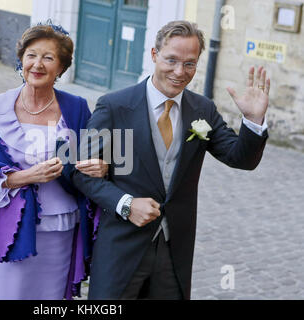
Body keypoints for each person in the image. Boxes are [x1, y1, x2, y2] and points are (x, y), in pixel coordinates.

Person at [72, 20, 270, 300]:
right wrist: (126, 204)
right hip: (122, 248)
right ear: (154, 55)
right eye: (171, 60)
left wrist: (252, 121)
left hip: (174, 249)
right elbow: (80, 172)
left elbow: (241, 159)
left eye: (189, 64)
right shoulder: (114, 106)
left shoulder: (203, 109)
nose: (180, 72)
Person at [0, 23, 106, 300]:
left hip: (60, 230)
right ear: (21, 59)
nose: (37, 64)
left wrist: (102, 166)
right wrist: (29, 176)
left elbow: (95, 156)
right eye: (31, 55)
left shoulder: (76, 108)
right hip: (11, 230)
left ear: (61, 68)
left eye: (48, 58)